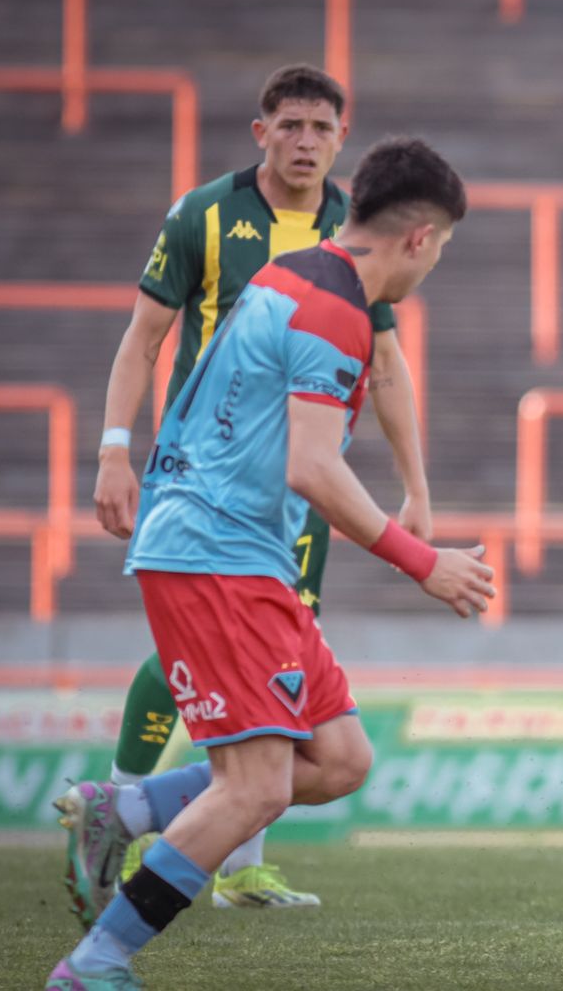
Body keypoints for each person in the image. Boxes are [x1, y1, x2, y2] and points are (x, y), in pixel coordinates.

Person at [47, 137, 493, 991]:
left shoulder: (293, 273)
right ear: (419, 238)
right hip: (216, 553)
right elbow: (312, 466)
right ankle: (93, 964)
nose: (434, 263)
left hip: (235, 550)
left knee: (339, 759)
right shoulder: (335, 311)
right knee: (253, 788)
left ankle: (125, 809)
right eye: (441, 248)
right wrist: (420, 561)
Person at [91, 63, 432, 910]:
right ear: (262, 133)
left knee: (280, 662)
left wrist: (415, 486)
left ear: (342, 138)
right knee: (199, 655)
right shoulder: (206, 215)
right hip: (209, 478)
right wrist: (112, 448)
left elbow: (386, 367)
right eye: (291, 126)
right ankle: (117, 799)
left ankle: (239, 867)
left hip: (297, 482)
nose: (306, 142)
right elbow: (143, 338)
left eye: (321, 128)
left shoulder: (354, 226)